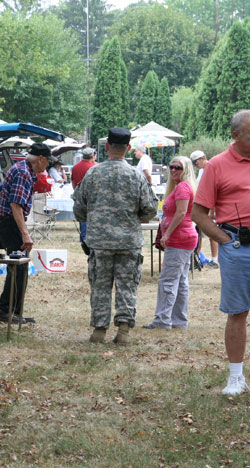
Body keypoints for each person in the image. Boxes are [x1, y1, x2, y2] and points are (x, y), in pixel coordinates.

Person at [192, 110, 250, 396]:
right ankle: (236, 378)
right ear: (236, 135)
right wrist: (224, 241)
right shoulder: (217, 166)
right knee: (237, 313)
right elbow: (198, 213)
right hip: (239, 248)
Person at [73, 128, 158, 344]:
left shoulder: (92, 173)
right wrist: (133, 219)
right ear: (128, 148)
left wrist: (94, 218)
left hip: (99, 242)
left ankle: (99, 331)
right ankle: (123, 332)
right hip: (129, 241)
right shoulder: (136, 175)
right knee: (127, 285)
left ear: (107, 147)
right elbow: (150, 209)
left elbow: (79, 208)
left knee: (100, 286)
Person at [0, 143, 56, 325]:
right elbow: (15, 205)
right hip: (11, 223)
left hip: (10, 222)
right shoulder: (23, 173)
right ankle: (4, 310)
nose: (48, 166)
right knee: (17, 267)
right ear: (41, 159)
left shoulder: (20, 168)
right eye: (48, 161)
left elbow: (1, 188)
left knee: (21, 267)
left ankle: (15, 311)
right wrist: (25, 234)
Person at [143, 156, 198, 330]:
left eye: (178, 168)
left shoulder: (182, 187)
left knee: (167, 280)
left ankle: (162, 320)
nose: (173, 170)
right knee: (180, 280)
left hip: (179, 238)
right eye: (171, 167)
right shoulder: (182, 187)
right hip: (185, 237)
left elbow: (181, 213)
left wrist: (167, 234)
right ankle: (179, 320)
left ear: (186, 170)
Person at [190, 150, 218, 268]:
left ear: (203, 158)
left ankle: (215, 260)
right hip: (202, 207)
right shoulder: (201, 171)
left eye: (196, 162)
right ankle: (197, 257)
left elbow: (215, 191)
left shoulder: (213, 169)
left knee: (212, 234)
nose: (195, 165)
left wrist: (213, 211)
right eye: (193, 163)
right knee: (199, 233)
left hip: (211, 207)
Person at [71, 147, 97, 243]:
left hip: (79, 196)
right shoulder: (94, 167)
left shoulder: (75, 167)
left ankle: (83, 238)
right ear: (93, 156)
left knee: (82, 218)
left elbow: (73, 182)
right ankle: (88, 238)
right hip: (91, 197)